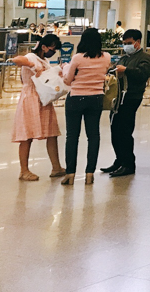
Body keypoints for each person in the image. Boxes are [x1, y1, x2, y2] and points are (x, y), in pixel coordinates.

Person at [10, 34, 66, 181]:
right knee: (27, 135)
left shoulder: (45, 60)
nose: (52, 52)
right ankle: (24, 170)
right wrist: (32, 66)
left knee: (52, 132)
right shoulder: (31, 57)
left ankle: (56, 167)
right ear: (43, 47)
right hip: (31, 98)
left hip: (44, 99)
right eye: (52, 49)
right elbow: (17, 60)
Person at [61, 28, 111, 186]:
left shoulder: (77, 58)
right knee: (94, 136)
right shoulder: (106, 57)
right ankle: (90, 174)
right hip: (96, 98)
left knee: (72, 137)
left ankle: (70, 174)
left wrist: (64, 69)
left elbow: (68, 81)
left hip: (76, 99)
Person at [102, 29, 150, 177]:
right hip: (118, 98)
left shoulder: (145, 58)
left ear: (137, 42)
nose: (126, 46)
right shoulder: (124, 58)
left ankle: (128, 164)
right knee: (115, 129)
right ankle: (119, 160)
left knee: (124, 131)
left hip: (131, 97)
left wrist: (127, 71)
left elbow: (142, 74)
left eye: (129, 43)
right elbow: (115, 71)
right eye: (124, 43)